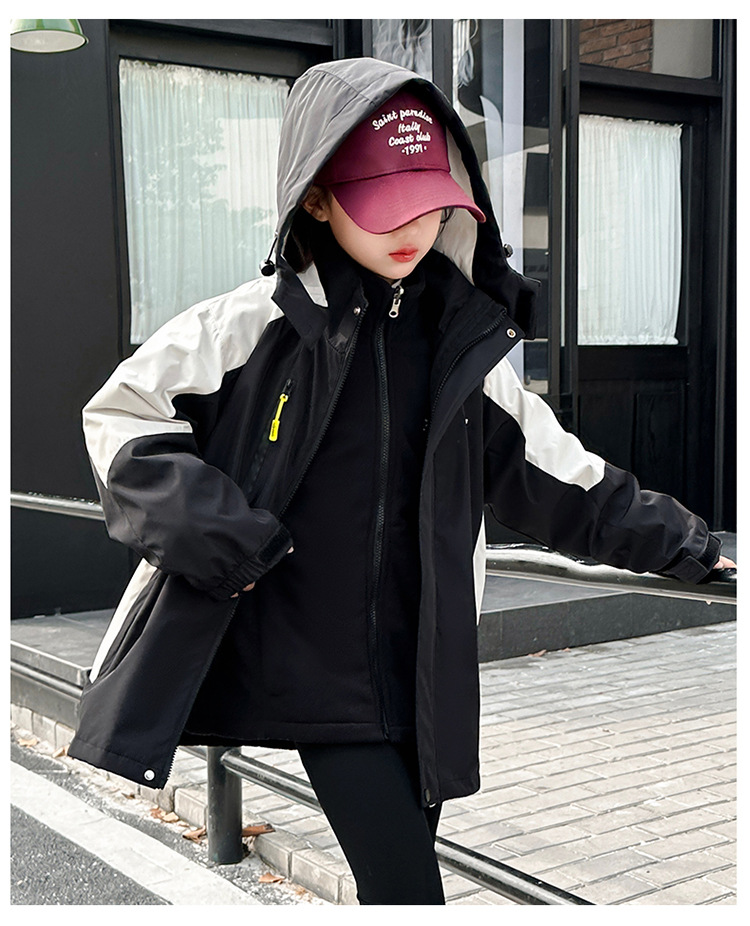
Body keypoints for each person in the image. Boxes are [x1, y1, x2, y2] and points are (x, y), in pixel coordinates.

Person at [68, 58, 734, 905]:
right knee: (412, 894)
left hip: (421, 667)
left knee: (399, 893)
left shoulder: (460, 344)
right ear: (315, 199)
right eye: (383, 203)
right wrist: (223, 536)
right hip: (314, 670)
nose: (412, 226)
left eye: (427, 200)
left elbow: (564, 479)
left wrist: (691, 547)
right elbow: (122, 416)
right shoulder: (251, 326)